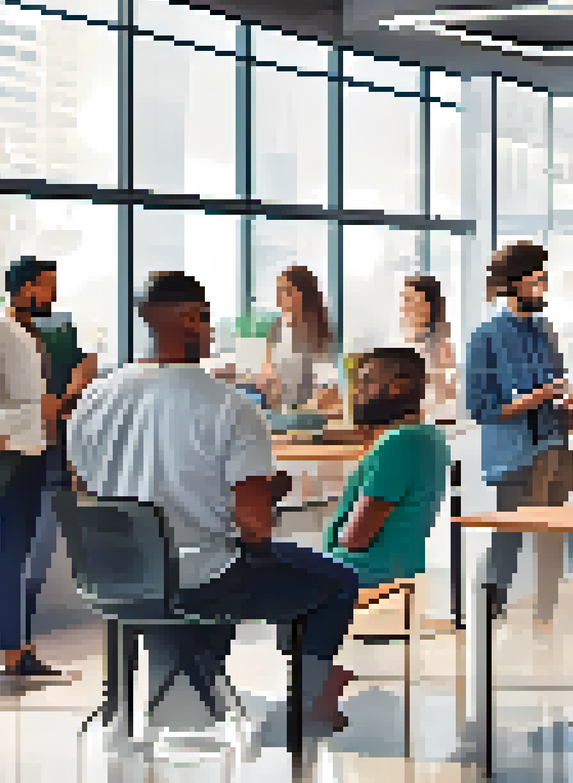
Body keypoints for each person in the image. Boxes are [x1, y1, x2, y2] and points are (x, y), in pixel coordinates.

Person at [68, 271, 360, 733]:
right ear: (190, 318)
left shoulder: (93, 399)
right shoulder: (231, 408)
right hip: (200, 577)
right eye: (206, 320)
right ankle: (308, 698)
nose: (211, 331)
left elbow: (85, 488)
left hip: (114, 577)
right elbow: (255, 529)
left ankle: (188, 696)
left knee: (198, 585)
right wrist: (265, 494)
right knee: (338, 581)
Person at [465, 241, 573, 627]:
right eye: (537, 280)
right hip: (516, 454)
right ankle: (489, 616)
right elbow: (482, 409)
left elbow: (554, 393)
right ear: (513, 284)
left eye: (544, 279)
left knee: (555, 537)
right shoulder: (486, 337)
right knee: (508, 538)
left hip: (555, 446)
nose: (544, 288)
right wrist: (540, 396)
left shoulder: (545, 331)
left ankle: (548, 615)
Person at [0, 255, 97, 680]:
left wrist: (73, 391)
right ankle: (12, 653)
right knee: (14, 556)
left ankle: (24, 647)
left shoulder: (36, 333)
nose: (54, 294)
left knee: (33, 558)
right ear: (25, 288)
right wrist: (44, 407)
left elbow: (51, 406)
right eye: (47, 285)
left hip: (45, 452)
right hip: (18, 457)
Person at [322, 348, 453, 590]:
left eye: (366, 382)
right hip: (397, 570)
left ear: (398, 386)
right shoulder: (430, 437)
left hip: (360, 573)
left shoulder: (398, 443)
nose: (356, 392)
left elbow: (355, 538)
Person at [260, 265, 338, 412]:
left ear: (304, 294)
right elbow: (267, 368)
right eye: (279, 291)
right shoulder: (277, 328)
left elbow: (327, 382)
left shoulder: (321, 331)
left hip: (311, 410)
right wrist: (268, 379)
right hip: (278, 407)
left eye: (286, 291)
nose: (279, 298)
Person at [399, 274, 458, 417]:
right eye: (404, 300)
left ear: (428, 305)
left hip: (431, 417)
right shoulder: (408, 341)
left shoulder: (440, 345)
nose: (404, 307)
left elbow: (442, 393)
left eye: (410, 300)